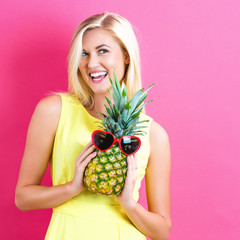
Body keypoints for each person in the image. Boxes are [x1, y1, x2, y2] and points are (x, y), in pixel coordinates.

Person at [15, 12, 172, 240]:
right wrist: (72, 187)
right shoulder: (53, 111)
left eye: (103, 51)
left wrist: (128, 203)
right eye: (84, 53)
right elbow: (23, 198)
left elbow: (162, 231)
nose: (91, 63)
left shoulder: (153, 135)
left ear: (126, 56)